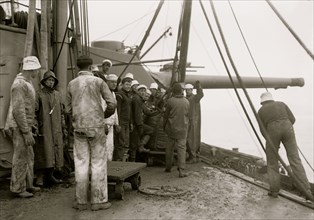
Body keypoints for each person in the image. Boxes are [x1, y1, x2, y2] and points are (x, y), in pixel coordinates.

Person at [65, 55, 116, 211]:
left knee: (80, 164)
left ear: (77, 66)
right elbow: (112, 103)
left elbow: (67, 109)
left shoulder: (71, 84)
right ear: (91, 66)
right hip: (96, 127)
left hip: (79, 127)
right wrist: (103, 116)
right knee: (98, 164)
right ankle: (98, 201)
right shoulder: (98, 81)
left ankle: (80, 201)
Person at [257, 92, 313, 200]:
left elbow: (262, 130)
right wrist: (286, 128)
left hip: (272, 130)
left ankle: (274, 191)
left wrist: (270, 141)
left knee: (272, 162)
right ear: (272, 99)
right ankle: (307, 192)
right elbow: (293, 119)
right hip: (288, 127)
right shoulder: (282, 104)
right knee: (295, 160)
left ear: (262, 102)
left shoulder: (260, 111)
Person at [5, 56, 41, 198]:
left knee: (28, 155)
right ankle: (18, 188)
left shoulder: (27, 82)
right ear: (31, 69)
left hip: (25, 125)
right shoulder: (19, 85)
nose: (37, 72)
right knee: (20, 156)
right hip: (20, 126)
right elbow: (18, 110)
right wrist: (26, 131)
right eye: (36, 70)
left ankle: (28, 184)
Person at [34, 71, 66, 186]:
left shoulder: (57, 95)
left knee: (55, 150)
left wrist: (63, 127)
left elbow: (62, 112)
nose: (51, 82)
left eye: (52, 81)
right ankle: (39, 177)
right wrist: (36, 126)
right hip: (44, 128)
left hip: (56, 128)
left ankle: (51, 175)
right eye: (49, 80)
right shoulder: (39, 94)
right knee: (43, 151)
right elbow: (35, 112)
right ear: (44, 81)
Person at [163, 82, 190, 178]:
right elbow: (188, 116)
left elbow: (165, 116)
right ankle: (181, 171)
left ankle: (168, 167)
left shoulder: (170, 101)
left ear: (173, 91)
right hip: (183, 129)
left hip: (171, 128)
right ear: (181, 91)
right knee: (181, 149)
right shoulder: (187, 101)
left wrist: (164, 126)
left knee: (169, 148)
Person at [130, 84, 152, 161]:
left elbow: (146, 111)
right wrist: (140, 125)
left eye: (144, 91)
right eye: (141, 91)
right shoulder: (136, 99)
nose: (143, 93)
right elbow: (137, 114)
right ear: (138, 91)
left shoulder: (140, 100)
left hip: (137, 123)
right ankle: (132, 162)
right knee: (133, 144)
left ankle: (140, 146)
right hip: (136, 124)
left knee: (134, 143)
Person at [114, 77, 133, 161]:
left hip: (127, 122)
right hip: (121, 121)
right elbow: (118, 110)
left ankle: (122, 160)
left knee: (125, 142)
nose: (128, 86)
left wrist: (131, 122)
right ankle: (118, 160)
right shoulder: (119, 95)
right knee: (121, 142)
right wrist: (117, 123)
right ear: (122, 85)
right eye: (127, 84)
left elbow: (130, 111)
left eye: (130, 85)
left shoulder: (128, 96)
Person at [184, 81, 203, 163]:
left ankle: (193, 157)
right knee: (188, 139)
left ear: (192, 90)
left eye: (188, 90)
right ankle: (193, 156)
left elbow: (200, 95)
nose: (187, 91)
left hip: (193, 122)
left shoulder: (195, 98)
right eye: (186, 90)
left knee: (192, 139)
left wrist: (199, 87)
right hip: (188, 121)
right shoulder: (185, 99)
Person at [104, 74, 120, 161]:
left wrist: (116, 124)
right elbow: (99, 110)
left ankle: (108, 168)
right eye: (112, 82)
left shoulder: (113, 94)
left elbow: (115, 110)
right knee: (103, 148)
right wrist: (103, 123)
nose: (114, 84)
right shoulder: (102, 94)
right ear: (107, 82)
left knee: (110, 147)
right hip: (104, 125)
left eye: (115, 82)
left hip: (111, 125)